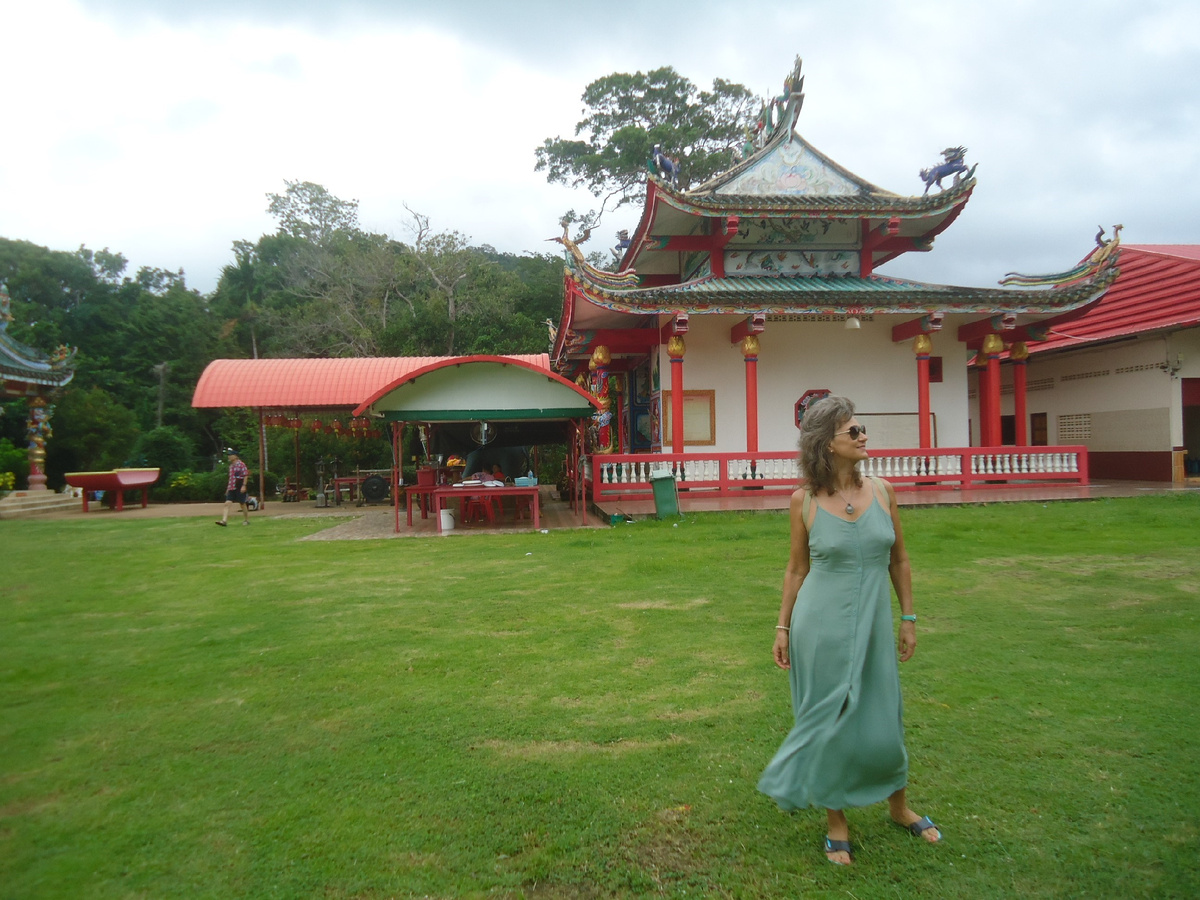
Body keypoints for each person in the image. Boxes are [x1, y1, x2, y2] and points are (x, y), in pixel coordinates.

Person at [757, 396, 941, 865]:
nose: (863, 438)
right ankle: (836, 821)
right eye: (853, 432)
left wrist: (910, 618)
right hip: (821, 626)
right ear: (827, 445)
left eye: (863, 430)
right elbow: (796, 570)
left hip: (876, 624)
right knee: (831, 721)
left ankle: (898, 807)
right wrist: (782, 626)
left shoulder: (883, 492)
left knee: (884, 715)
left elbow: (899, 559)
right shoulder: (805, 501)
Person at [216, 449, 250, 526]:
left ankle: (246, 520)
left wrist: (244, 486)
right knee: (227, 503)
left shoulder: (241, 464)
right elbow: (230, 478)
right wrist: (228, 488)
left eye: (230, 455)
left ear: (235, 456)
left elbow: (245, 475)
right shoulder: (231, 466)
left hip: (239, 485)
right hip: (232, 487)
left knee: (242, 503)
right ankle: (224, 520)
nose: (229, 457)